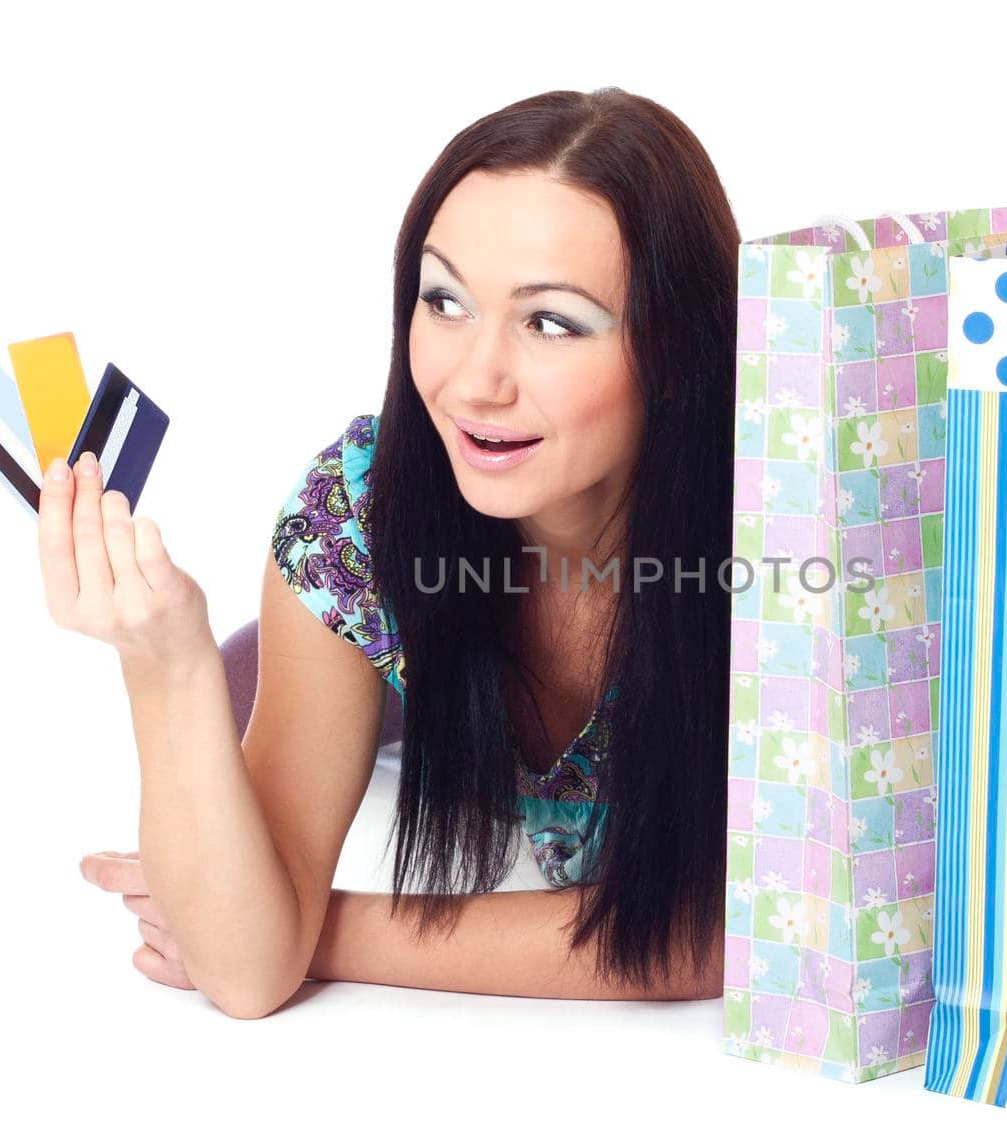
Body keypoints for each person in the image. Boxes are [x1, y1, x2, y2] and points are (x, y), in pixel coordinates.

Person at [43, 87, 740, 1017]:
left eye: (551, 322)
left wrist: (315, 924)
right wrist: (162, 661)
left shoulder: (785, 538)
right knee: (253, 671)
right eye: (444, 301)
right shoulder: (355, 522)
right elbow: (248, 974)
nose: (473, 381)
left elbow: (745, 932)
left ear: (677, 350)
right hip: (386, 661)